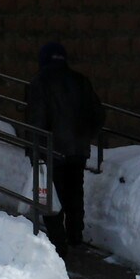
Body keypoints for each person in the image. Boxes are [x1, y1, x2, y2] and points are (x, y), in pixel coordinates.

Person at [25, 40, 102, 253]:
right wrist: (84, 135)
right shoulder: (81, 81)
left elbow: (36, 119)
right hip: (77, 150)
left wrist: (34, 149)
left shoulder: (40, 82)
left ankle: (58, 245)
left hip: (51, 150)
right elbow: (98, 114)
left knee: (51, 197)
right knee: (74, 193)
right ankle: (75, 236)